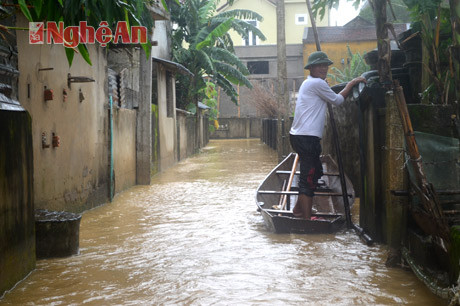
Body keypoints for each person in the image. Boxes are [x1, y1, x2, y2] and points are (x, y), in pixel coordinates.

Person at [289, 51, 366, 219]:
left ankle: (298, 210)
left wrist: (326, 85)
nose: (323, 68)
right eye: (319, 65)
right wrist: (351, 83)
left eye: (325, 65)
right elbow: (338, 100)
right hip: (306, 138)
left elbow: (326, 95)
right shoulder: (317, 83)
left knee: (315, 172)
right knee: (308, 178)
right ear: (311, 68)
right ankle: (307, 220)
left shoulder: (311, 83)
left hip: (301, 136)